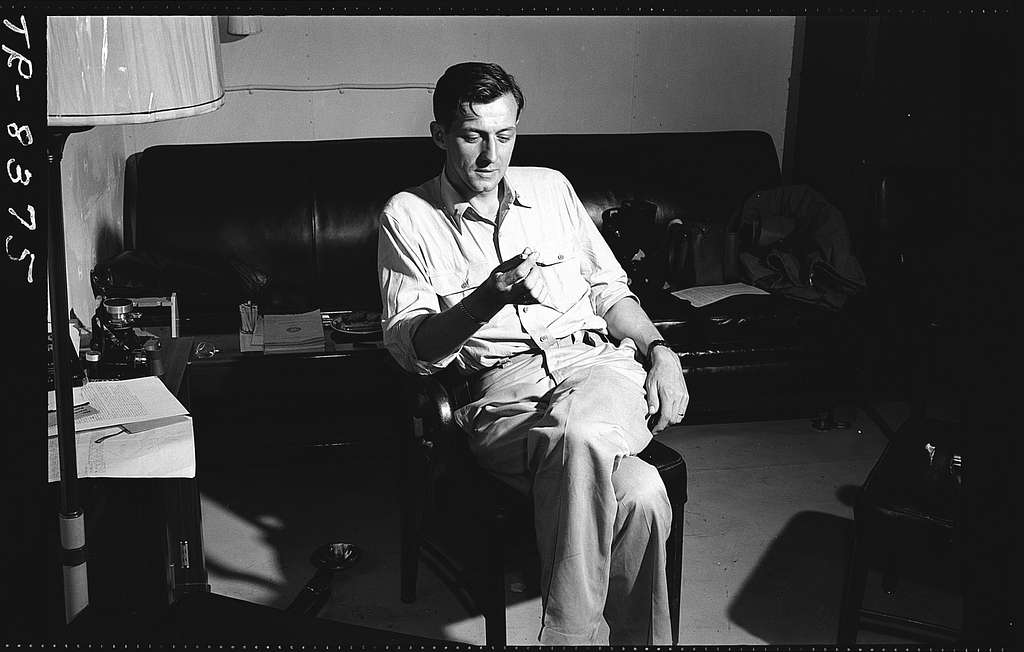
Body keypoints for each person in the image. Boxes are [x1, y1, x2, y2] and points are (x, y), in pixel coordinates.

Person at [377, 61, 688, 645]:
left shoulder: (551, 189)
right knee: (642, 496)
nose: (491, 156)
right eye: (472, 136)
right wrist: (482, 301)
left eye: (505, 135)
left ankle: (566, 638)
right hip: (503, 397)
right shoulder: (408, 216)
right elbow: (411, 349)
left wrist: (661, 351)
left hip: (596, 370)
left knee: (576, 431)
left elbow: (607, 290)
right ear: (440, 135)